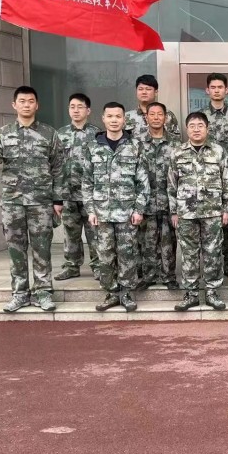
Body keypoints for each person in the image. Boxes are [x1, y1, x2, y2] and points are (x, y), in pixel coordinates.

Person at [0, 86, 64, 313]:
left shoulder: (49, 133)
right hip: (13, 201)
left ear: (37, 105)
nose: (26, 105)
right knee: (16, 249)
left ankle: (43, 292)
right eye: (22, 101)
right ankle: (19, 293)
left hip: (41, 201)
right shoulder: (2, 133)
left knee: (42, 248)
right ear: (14, 105)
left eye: (30, 101)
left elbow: (59, 168)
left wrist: (58, 199)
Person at [83, 102, 149, 312]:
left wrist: (139, 210)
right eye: (110, 116)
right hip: (101, 213)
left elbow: (143, 182)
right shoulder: (92, 147)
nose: (114, 120)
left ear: (124, 119)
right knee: (104, 255)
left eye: (118, 116)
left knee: (127, 254)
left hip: (127, 213)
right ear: (103, 118)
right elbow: (87, 182)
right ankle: (111, 293)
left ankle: (127, 293)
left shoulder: (135, 146)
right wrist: (90, 210)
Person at [168, 112, 228, 312]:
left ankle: (212, 292)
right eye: (192, 126)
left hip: (212, 213)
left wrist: (227, 209)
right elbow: (171, 185)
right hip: (186, 214)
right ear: (186, 129)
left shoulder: (218, 151)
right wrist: (174, 212)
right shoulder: (177, 153)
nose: (196, 129)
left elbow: (227, 181)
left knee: (213, 253)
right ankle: (192, 294)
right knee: (189, 254)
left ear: (207, 128)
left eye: (200, 126)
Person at [199, 72, 228, 279]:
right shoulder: (200, 117)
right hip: (207, 177)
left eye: (220, 87)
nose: (216, 90)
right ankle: (211, 264)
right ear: (207, 90)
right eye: (213, 87)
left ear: (226, 90)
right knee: (210, 222)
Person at [55, 92, 100, 281]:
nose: (75, 110)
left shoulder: (97, 134)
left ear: (88, 110)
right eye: (72, 107)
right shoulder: (60, 134)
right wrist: (57, 197)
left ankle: (99, 267)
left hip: (91, 195)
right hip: (68, 193)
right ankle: (72, 266)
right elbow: (55, 165)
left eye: (80, 107)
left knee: (95, 234)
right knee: (70, 233)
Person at [137, 102, 179, 290]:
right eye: (152, 114)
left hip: (169, 201)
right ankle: (149, 276)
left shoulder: (175, 143)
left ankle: (169, 277)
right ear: (146, 117)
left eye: (159, 114)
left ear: (165, 117)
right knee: (147, 240)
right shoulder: (137, 143)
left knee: (169, 241)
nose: (155, 117)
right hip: (145, 202)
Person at [124, 74, 181, 138]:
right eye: (140, 89)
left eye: (148, 89)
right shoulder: (127, 117)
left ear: (156, 92)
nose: (144, 92)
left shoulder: (168, 115)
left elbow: (176, 139)